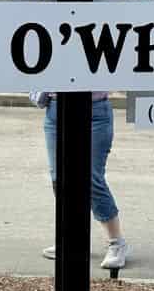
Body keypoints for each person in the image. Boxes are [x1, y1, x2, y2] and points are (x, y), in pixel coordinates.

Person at [31, 90, 128, 270]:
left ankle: (116, 242)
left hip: (94, 109)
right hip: (56, 108)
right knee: (60, 178)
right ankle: (73, 241)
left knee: (91, 178)